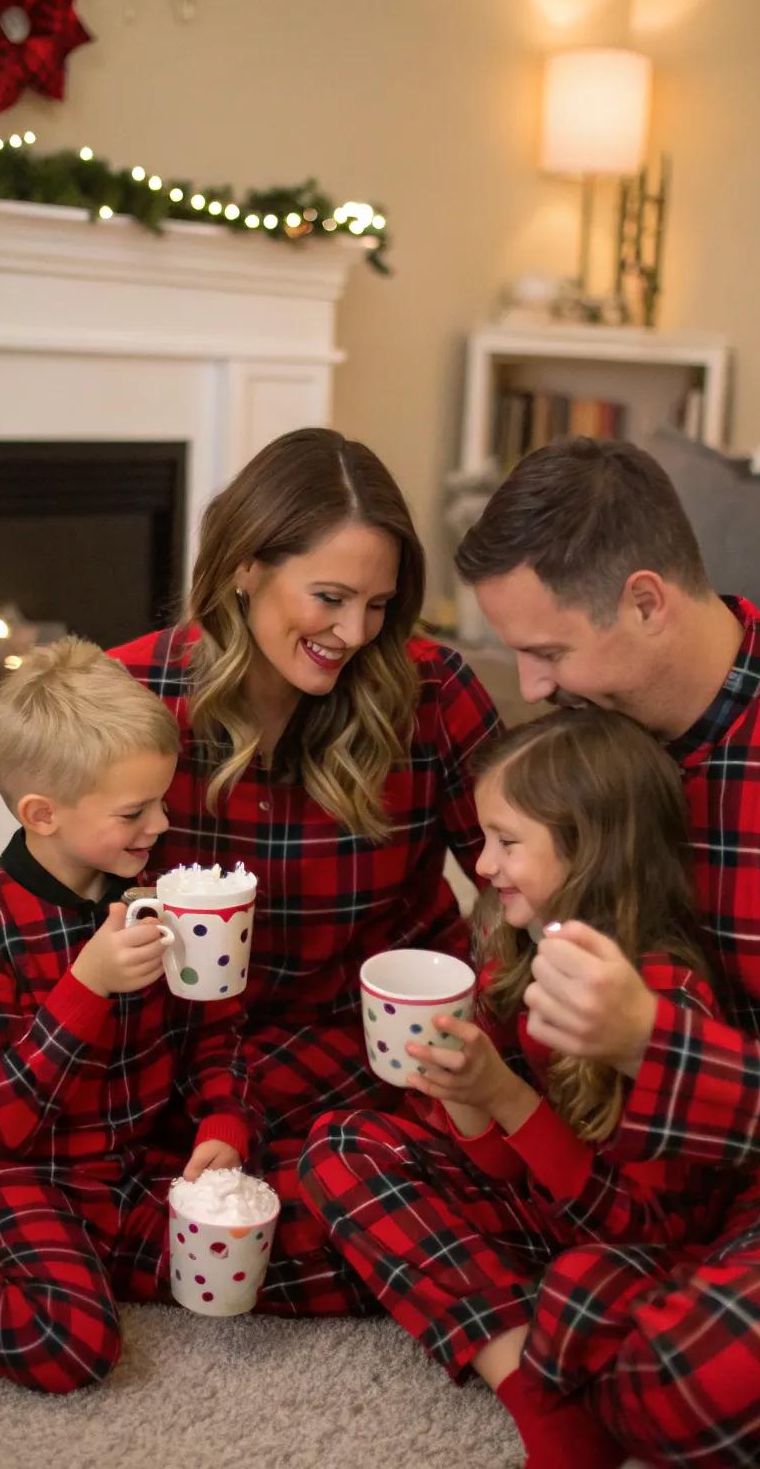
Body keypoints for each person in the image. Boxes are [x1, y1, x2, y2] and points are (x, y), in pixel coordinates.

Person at [446, 436, 760, 1466]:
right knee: (348, 1142)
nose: (531, 689)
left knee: (690, 1379)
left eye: (547, 653)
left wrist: (655, 1043)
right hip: (634, 1176)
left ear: (644, 601)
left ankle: (601, 1311)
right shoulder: (590, 751)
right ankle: (602, 1299)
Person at [300, 707, 737, 1469]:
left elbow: (643, 1225)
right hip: (541, 1211)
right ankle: (531, 1387)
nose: (483, 864)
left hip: (639, 1241)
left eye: (507, 842)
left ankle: (515, 1323)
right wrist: (469, 1093)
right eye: (485, 839)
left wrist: (505, 1097)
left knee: (583, 1286)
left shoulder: (660, 999)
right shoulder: (512, 956)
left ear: (589, 850)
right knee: (340, 1146)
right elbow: (501, 1166)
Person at [0, 637, 251, 1392]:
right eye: (135, 810)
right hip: (9, 1171)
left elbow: (214, 1031)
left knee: (271, 1258)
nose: (161, 824)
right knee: (68, 1343)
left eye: (162, 799)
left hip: (130, 1166)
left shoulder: (162, 891)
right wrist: (86, 985)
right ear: (43, 813)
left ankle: (94, 1259)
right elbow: (1, 1123)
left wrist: (224, 1124)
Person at [111, 427, 500, 1168]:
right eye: (330, 597)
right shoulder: (130, 698)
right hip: (189, 1045)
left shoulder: (433, 691)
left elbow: (520, 883)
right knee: (86, 1171)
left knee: (372, 1178)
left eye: (379, 603)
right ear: (244, 569)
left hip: (371, 1038)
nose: (355, 632)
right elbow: (51, 905)